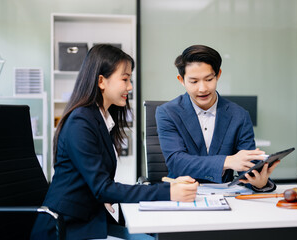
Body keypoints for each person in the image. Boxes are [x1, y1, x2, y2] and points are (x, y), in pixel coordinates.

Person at [30, 44, 198, 240]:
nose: (130, 87)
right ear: (101, 81)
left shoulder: (98, 118)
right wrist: (168, 192)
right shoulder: (81, 122)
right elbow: (102, 189)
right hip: (66, 228)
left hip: (89, 220)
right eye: (125, 79)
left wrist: (168, 187)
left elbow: (100, 185)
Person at [156, 44, 279, 192]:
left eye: (208, 79)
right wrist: (227, 161)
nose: (202, 89)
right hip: (181, 192)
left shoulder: (239, 115)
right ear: (181, 80)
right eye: (194, 81)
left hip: (225, 192)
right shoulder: (168, 112)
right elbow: (176, 162)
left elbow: (246, 167)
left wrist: (259, 182)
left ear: (218, 75)